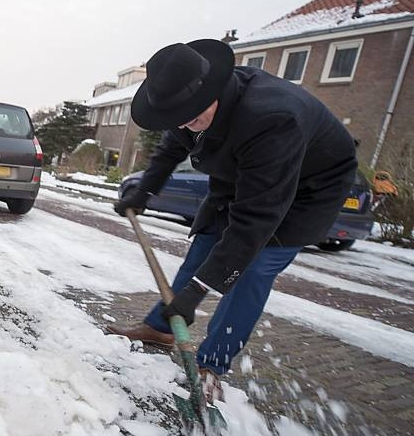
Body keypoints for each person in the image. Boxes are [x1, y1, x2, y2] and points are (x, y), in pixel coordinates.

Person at [107, 39, 357, 402]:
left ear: (213, 91)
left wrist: (196, 293)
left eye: (194, 119)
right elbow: (174, 144)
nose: (187, 127)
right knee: (206, 242)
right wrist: (144, 190)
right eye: (181, 121)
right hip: (244, 173)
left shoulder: (272, 117)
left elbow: (255, 220)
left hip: (309, 189)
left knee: (252, 269)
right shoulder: (187, 103)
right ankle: (162, 327)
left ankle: (212, 365)